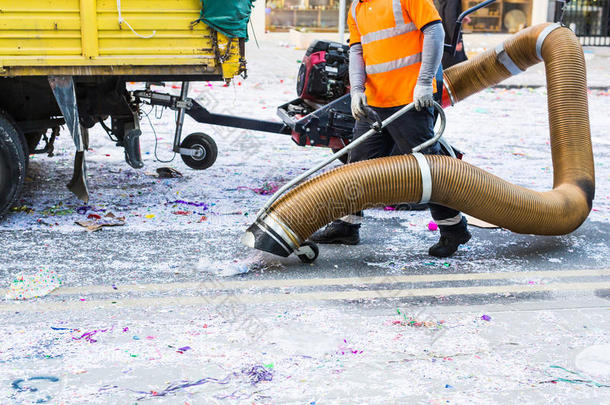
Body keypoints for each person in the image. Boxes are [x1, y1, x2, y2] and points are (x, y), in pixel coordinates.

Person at [310, 0, 471, 258]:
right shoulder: (356, 8)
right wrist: (357, 90)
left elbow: (435, 32)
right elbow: (356, 50)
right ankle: (347, 226)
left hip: (410, 99)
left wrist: (424, 81)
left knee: (428, 167)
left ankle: (454, 229)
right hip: (374, 102)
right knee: (358, 163)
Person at [434, 0, 468, 68]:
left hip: (447, 37)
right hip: (451, 41)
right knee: (457, 69)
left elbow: (447, 13)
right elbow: (450, 18)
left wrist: (460, 17)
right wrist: (456, 40)